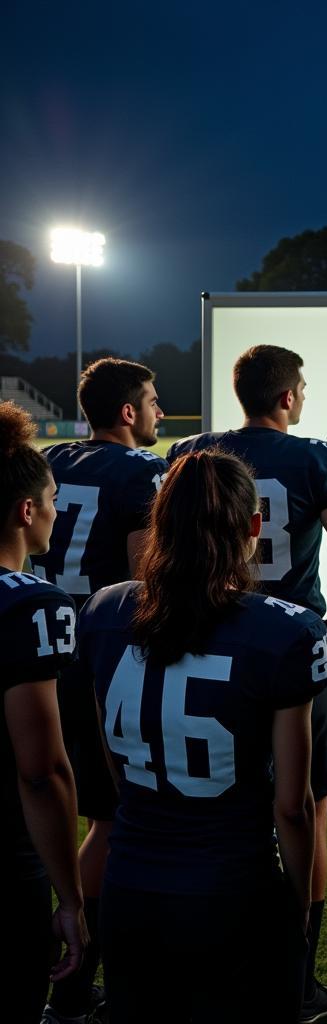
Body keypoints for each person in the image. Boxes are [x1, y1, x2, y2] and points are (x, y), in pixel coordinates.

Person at [77, 449, 327, 1023]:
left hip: (132, 886)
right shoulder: (283, 630)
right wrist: (298, 906)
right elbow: (292, 806)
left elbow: (116, 766)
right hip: (234, 887)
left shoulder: (105, 610)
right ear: (253, 526)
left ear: (160, 522)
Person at [167, 344, 327, 1021]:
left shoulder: (194, 452)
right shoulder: (315, 457)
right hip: (289, 645)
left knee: (200, 798)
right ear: (287, 397)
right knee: (306, 807)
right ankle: (298, 976)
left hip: (205, 635)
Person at [29, 357, 166, 1024]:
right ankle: (75, 982)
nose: (161, 412)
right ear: (128, 412)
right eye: (153, 399)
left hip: (37, 640)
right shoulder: (139, 471)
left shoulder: (54, 458)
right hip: (97, 654)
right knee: (110, 820)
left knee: (54, 804)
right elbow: (145, 576)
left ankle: (72, 979)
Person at [0, 401, 88, 1024]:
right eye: (53, 500)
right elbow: (41, 771)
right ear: (27, 510)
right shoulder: (31, 605)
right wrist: (70, 895)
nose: (56, 513)